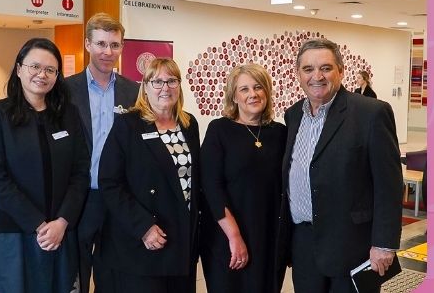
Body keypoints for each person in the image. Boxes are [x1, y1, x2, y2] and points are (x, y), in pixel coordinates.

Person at [281, 38, 403, 293]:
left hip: (352, 246)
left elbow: (389, 184)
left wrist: (384, 243)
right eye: (308, 69)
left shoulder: (371, 113)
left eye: (325, 68)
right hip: (304, 244)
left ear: (341, 71)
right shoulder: (293, 115)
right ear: (298, 74)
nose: (317, 76)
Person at [0, 38, 90, 293]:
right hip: (15, 231)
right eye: (35, 66)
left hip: (61, 231)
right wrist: (40, 226)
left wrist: (62, 222)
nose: (42, 74)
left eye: (50, 70)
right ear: (19, 69)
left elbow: (80, 172)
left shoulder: (68, 114)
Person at [97, 58, 200, 293]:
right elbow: (110, 183)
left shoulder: (188, 124)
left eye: (172, 80)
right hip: (144, 236)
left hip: (181, 238)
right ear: (145, 86)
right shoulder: (128, 124)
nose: (165, 87)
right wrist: (143, 226)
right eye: (157, 81)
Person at [64, 12, 140, 293]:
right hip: (82, 198)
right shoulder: (64, 90)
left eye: (115, 45)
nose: (108, 52)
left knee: (116, 274)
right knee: (77, 272)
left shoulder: (134, 92)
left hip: (120, 198)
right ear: (87, 44)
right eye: (101, 44)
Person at [200, 63, 288, 292]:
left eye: (258, 87)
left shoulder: (280, 133)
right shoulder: (219, 130)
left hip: (268, 236)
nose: (253, 94)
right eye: (244, 89)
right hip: (228, 236)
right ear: (234, 97)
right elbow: (211, 187)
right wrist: (235, 236)